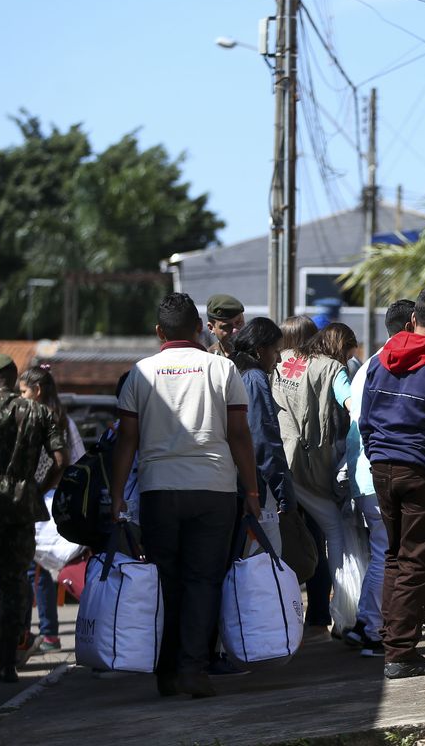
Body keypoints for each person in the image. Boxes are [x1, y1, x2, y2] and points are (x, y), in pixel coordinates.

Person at [110, 292, 261, 699]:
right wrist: (250, 490)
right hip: (213, 490)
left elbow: (127, 441)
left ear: (159, 332)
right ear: (199, 327)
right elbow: (239, 435)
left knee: (166, 580)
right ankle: (194, 669)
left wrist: (117, 495)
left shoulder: (140, 373)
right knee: (203, 582)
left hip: (159, 491)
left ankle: (166, 671)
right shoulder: (221, 368)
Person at [360, 287, 425, 679]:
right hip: (421, 471)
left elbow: (365, 420)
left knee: (393, 556)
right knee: (417, 561)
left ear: (412, 319)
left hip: (383, 469)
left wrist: (376, 456)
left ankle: (393, 641)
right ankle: (401, 653)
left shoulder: (378, 362)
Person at [0, 354, 66, 683]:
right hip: (21, 509)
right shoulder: (40, 412)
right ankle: (7, 664)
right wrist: (38, 488)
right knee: (14, 586)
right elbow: (61, 460)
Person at [342, 299, 416, 657]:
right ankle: (371, 628)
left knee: (381, 554)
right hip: (379, 474)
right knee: (389, 555)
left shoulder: (369, 365)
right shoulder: (396, 364)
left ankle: (366, 623)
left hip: (365, 474)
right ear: (412, 324)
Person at [273, 323, 357, 633]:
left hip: (276, 464)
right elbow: (352, 403)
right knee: (333, 529)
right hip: (307, 468)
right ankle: (343, 609)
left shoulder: (282, 358)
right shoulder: (332, 369)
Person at [18, 364, 86, 654]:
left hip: (38, 505)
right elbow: (79, 460)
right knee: (39, 570)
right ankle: (47, 633)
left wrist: (41, 487)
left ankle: (38, 633)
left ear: (37, 391)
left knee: (32, 571)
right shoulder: (65, 422)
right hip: (55, 505)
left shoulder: (33, 421)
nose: (20, 397)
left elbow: (62, 461)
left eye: (23, 392)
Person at [227, 317, 295, 556]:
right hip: (254, 486)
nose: (278, 359)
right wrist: (283, 492)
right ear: (259, 350)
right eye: (276, 351)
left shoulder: (232, 369)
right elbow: (264, 439)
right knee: (267, 560)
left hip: (229, 482)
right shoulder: (255, 379)